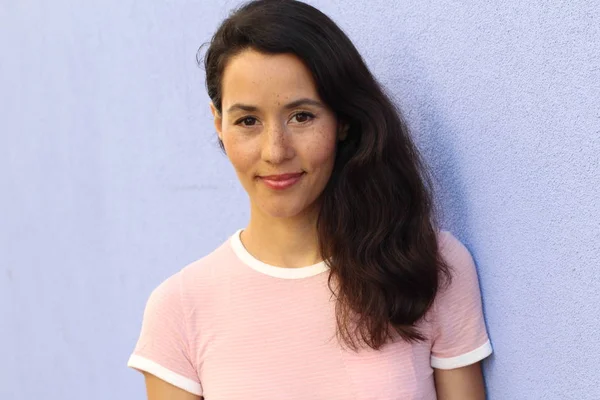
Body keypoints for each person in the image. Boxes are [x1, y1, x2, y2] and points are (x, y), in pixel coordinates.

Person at [127, 0, 493, 398]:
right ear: (219, 125)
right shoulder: (180, 309)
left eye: (301, 116)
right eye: (247, 121)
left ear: (343, 120)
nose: (275, 151)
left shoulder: (427, 266)